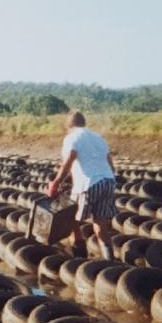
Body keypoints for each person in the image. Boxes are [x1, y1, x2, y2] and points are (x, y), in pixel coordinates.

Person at [47, 110, 118, 260]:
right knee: (100, 222)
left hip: (88, 183)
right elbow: (111, 166)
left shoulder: (72, 138)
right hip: (108, 181)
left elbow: (67, 163)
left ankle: (80, 259)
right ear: (83, 123)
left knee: (71, 219)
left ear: (69, 126)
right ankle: (110, 259)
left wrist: (55, 183)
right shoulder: (99, 138)